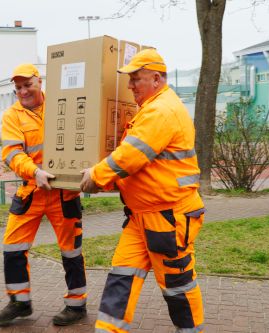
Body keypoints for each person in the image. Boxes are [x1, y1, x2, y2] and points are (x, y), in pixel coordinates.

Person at [80, 49, 205, 333]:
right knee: (121, 278)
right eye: (130, 80)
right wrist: (107, 181)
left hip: (168, 217)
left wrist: (96, 177)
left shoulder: (161, 110)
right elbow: (136, 166)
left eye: (136, 79)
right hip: (142, 217)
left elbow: (130, 156)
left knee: (177, 287)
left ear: (157, 78)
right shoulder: (152, 109)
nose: (130, 86)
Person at [0, 63, 87, 326]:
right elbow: (12, 153)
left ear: (40, 83)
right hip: (32, 190)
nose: (23, 91)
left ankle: (76, 305)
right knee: (13, 246)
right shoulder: (13, 116)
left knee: (71, 251)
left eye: (27, 85)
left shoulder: (60, 105)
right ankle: (19, 302)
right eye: (18, 87)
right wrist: (35, 172)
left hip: (63, 193)